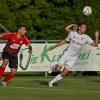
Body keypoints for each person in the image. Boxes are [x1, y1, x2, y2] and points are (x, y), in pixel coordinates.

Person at [48, 23, 99, 87]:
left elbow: (95, 45)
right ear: (79, 28)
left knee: (64, 73)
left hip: (73, 58)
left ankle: (51, 82)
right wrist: (54, 46)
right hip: (67, 54)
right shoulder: (72, 33)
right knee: (58, 69)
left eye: (85, 28)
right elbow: (65, 41)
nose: (84, 29)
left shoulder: (86, 37)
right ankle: (54, 67)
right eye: (83, 27)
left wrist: (96, 37)